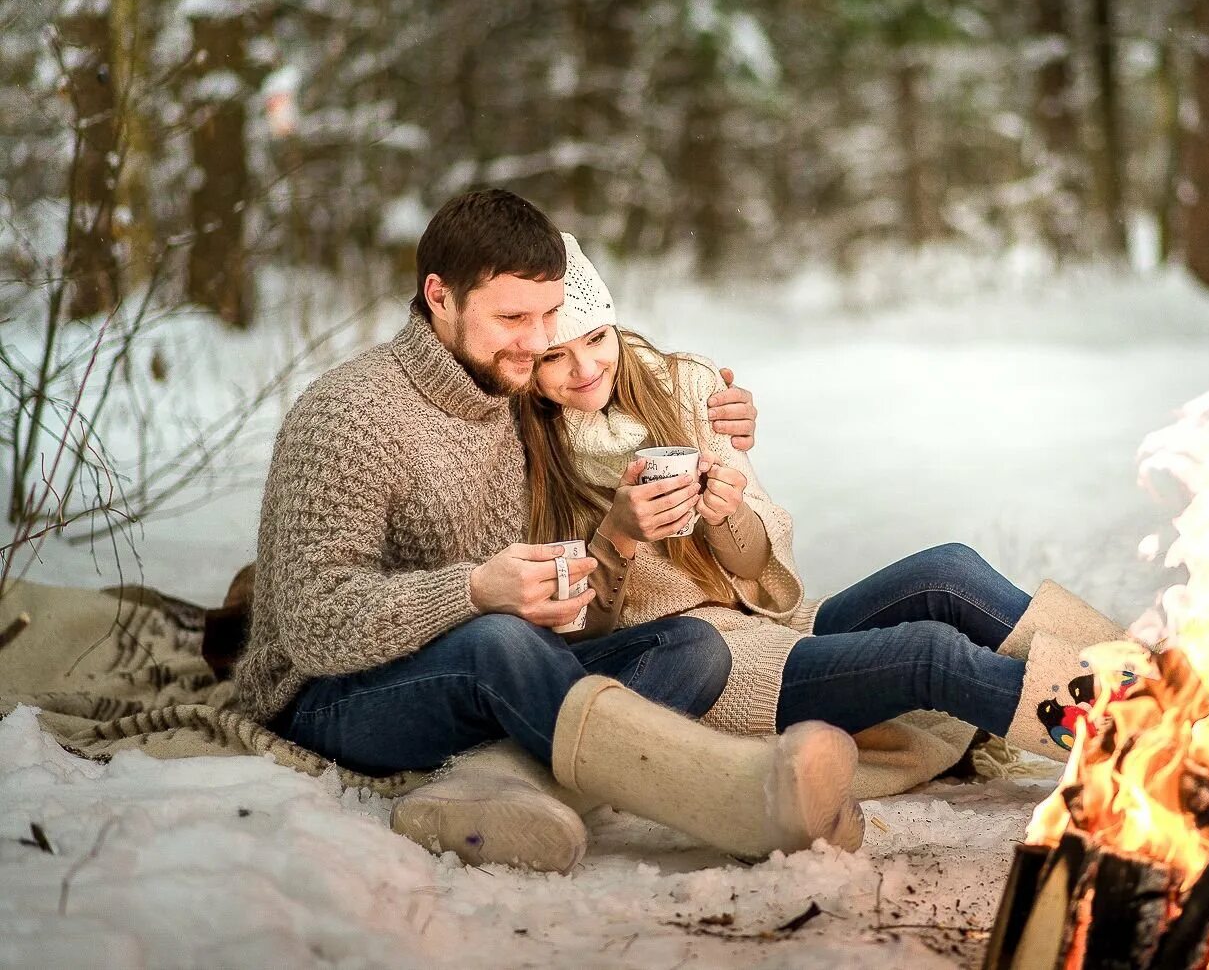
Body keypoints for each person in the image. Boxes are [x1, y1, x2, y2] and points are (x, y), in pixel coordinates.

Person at [232, 190, 864, 874]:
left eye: (547, 317)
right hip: (334, 697)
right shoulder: (348, 415)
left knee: (690, 647)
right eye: (512, 318)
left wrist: (716, 410)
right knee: (495, 639)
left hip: (488, 669)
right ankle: (741, 798)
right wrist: (474, 591)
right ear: (440, 297)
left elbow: (614, 388)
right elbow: (313, 624)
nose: (537, 344)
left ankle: (496, 787)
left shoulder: (512, 395)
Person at [521, 235, 1138, 778]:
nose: (585, 367)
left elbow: (757, 567)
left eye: (597, 337)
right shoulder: (524, 454)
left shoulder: (682, 385)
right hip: (714, 670)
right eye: (554, 355)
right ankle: (1141, 746)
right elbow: (582, 635)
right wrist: (619, 536)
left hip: (771, 629)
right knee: (929, 653)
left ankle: (1155, 692)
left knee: (949, 570)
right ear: (525, 359)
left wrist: (726, 513)